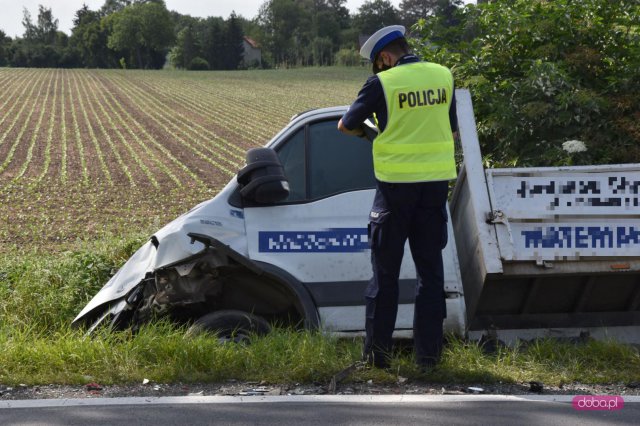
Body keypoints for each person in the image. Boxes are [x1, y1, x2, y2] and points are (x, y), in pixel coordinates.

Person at [337, 25, 458, 371]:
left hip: (394, 191)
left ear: (385, 57)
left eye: (379, 63)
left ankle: (377, 360)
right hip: (434, 188)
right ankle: (429, 360)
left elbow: (346, 124)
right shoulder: (443, 75)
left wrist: (373, 133)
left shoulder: (383, 83)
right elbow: (450, 129)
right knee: (431, 274)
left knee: (385, 275)